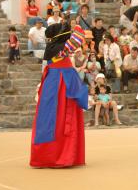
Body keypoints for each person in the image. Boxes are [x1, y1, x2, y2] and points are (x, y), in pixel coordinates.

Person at [30, 24, 87, 168]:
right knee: (61, 117)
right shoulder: (63, 47)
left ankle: (48, 155)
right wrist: (76, 26)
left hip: (54, 82)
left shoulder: (53, 47)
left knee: (49, 118)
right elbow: (79, 34)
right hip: (62, 84)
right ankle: (62, 155)